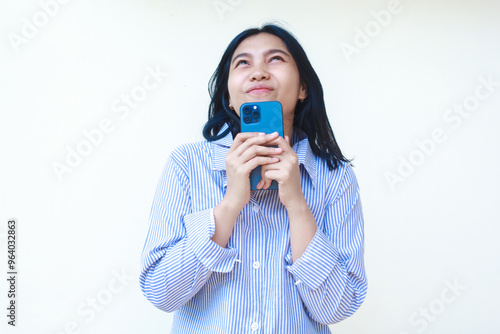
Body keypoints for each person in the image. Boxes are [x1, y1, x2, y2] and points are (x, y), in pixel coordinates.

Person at [140, 24, 367, 333]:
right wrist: (231, 203)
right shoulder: (187, 164)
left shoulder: (335, 177)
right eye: (243, 62)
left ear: (303, 88)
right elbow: (161, 292)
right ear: (229, 97)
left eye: (275, 59)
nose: (258, 72)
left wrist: (298, 205)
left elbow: (337, 308)